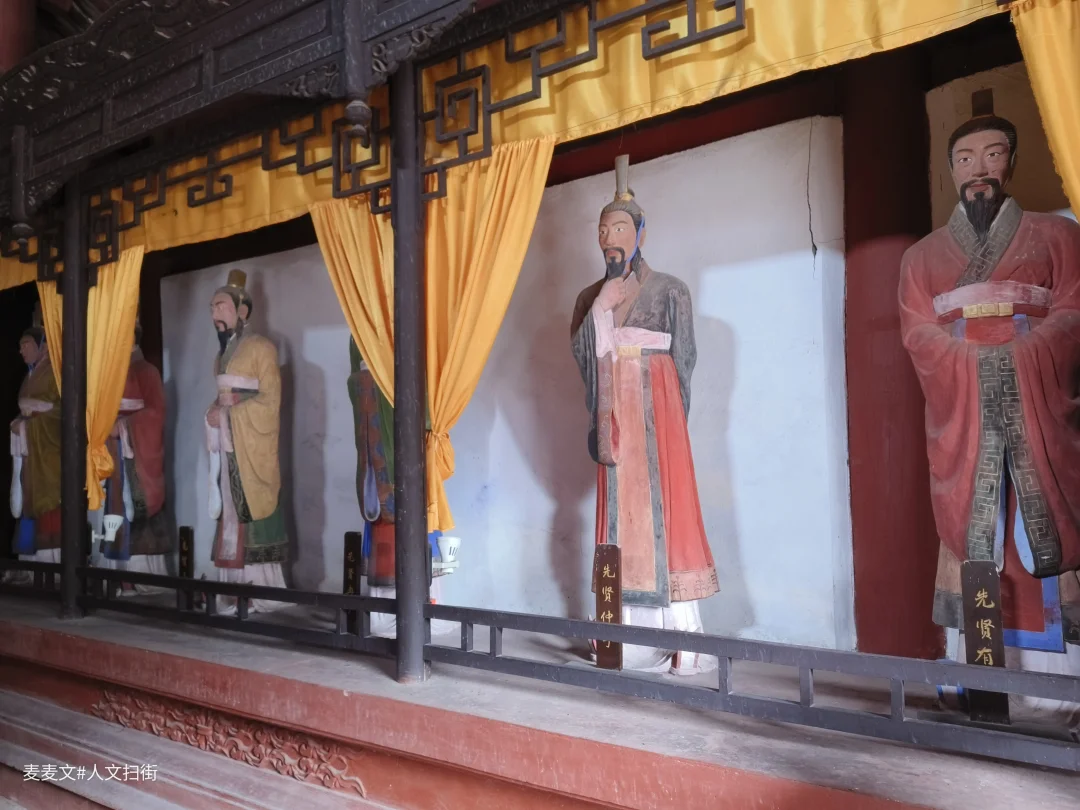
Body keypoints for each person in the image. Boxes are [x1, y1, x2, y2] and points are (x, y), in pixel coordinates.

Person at [899, 101, 1080, 726]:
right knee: (973, 530)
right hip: (965, 408)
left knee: (1044, 524)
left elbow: (1074, 311)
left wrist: (1021, 354)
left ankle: (1059, 688)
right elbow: (918, 332)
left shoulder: (1059, 237)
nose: (979, 169)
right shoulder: (922, 257)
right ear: (951, 169)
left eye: (993, 155)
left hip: (1037, 402)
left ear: (1012, 162)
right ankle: (977, 681)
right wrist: (972, 362)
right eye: (966, 158)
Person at [571, 155, 718, 674]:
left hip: (658, 416)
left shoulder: (670, 289)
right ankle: (617, 635)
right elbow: (583, 359)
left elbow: (685, 360)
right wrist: (600, 310)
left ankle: (682, 638)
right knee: (618, 520)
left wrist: (667, 417)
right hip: (615, 419)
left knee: (667, 516)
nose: (609, 238)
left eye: (619, 228)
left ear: (641, 233)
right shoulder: (589, 298)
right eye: (603, 230)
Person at [205, 270, 288, 614]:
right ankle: (232, 589)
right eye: (212, 308)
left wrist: (229, 415)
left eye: (221, 306)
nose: (215, 314)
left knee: (251, 507)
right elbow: (221, 396)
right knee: (228, 507)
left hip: (251, 444)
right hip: (228, 443)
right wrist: (214, 413)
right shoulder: (220, 357)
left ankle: (260, 589)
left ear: (242, 310)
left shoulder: (262, 348)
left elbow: (270, 401)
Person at [98, 319, 172, 594]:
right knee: (115, 506)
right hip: (115, 450)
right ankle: (118, 575)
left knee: (137, 508)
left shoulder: (147, 371)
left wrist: (125, 426)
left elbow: (156, 412)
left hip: (135, 452)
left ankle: (143, 576)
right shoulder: (113, 372)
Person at [7, 312, 61, 583]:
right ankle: (29, 566)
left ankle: (51, 566)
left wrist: (31, 425)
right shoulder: (29, 377)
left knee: (49, 504)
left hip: (48, 451)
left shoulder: (55, 373)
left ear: (42, 346)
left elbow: (62, 413)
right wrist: (20, 423)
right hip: (31, 453)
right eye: (20, 345)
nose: (21, 350)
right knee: (26, 503)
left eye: (26, 344)